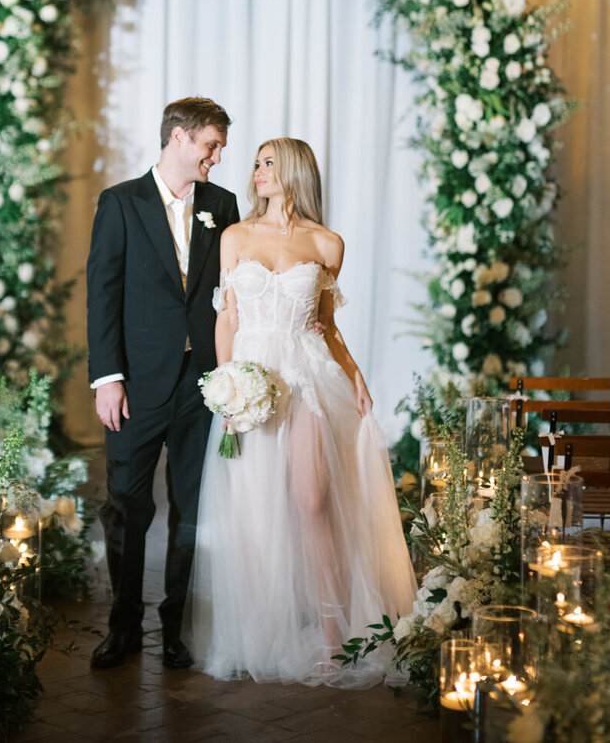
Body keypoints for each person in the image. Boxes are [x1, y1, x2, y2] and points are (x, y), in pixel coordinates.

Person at [188, 137, 417, 687]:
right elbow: (227, 318)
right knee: (254, 506)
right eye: (257, 163)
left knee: (312, 500)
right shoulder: (235, 236)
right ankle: (260, 630)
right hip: (250, 376)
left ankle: (339, 636)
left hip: (307, 375)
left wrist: (357, 376)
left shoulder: (327, 243)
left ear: (293, 171)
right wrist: (226, 383)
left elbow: (328, 325)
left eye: (269, 162)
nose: (257, 171)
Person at [86, 97, 240, 670]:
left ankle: (177, 626)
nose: (218, 158)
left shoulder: (223, 205)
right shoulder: (120, 202)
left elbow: (233, 294)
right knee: (126, 505)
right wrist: (108, 377)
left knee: (194, 506)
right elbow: (102, 294)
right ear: (179, 138)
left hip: (202, 384)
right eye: (211, 145)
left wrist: (234, 375)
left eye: (220, 147)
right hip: (134, 385)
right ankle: (123, 625)